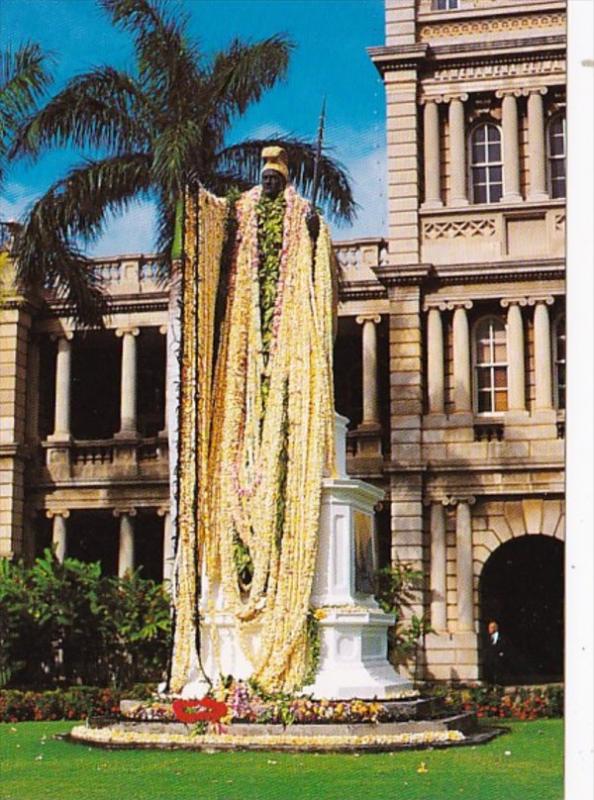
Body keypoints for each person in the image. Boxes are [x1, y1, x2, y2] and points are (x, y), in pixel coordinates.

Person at [169, 146, 338, 694]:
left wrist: (315, 230)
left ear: (284, 177)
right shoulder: (239, 210)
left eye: (275, 174)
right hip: (245, 339)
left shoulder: (303, 211)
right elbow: (215, 227)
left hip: (287, 335)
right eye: (263, 174)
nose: (268, 180)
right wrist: (195, 201)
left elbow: (324, 268)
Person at [484, 620, 508, 684]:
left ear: (495, 628)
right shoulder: (487, 637)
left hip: (498, 659)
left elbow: (504, 647)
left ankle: (499, 685)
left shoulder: (501, 637)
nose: (489, 629)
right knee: (490, 673)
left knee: (498, 673)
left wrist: (501, 654)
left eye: (490, 628)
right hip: (490, 659)